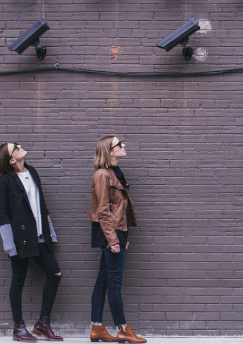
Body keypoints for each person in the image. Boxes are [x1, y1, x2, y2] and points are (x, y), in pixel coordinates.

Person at [0, 142, 63, 342]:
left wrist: (50, 232)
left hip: (40, 236)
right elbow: (3, 214)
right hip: (20, 240)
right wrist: (9, 245)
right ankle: (18, 327)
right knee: (18, 281)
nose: (19, 146)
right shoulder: (4, 182)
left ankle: (43, 323)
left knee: (55, 274)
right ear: (11, 159)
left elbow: (41, 204)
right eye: (15, 147)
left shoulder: (32, 171)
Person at [88, 136, 145, 343]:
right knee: (115, 284)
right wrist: (113, 239)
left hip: (116, 232)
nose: (124, 146)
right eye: (119, 144)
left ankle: (96, 327)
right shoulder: (102, 175)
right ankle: (122, 328)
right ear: (109, 151)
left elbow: (120, 210)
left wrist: (123, 235)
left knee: (103, 282)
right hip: (109, 233)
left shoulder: (114, 172)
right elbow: (103, 211)